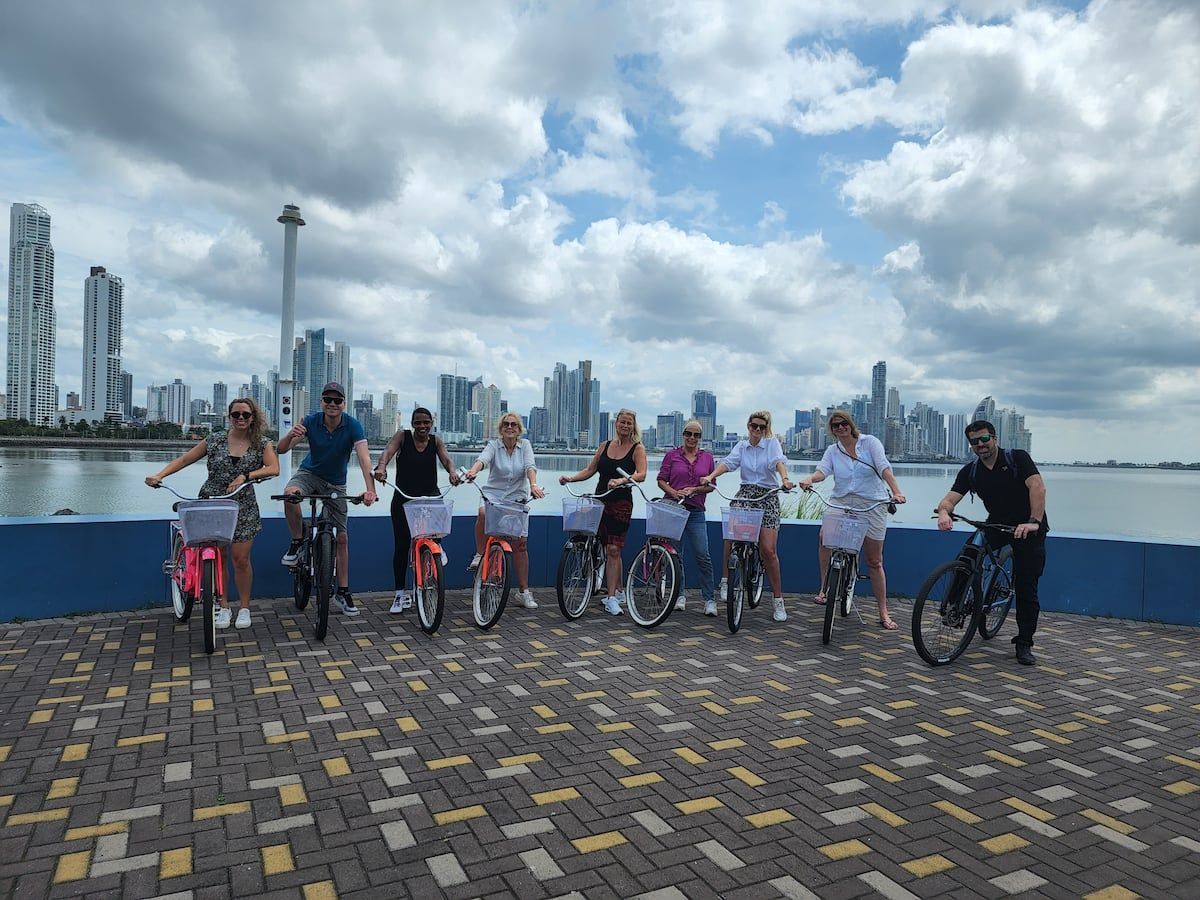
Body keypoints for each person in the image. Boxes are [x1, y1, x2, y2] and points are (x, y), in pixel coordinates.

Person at [146, 398, 279, 629]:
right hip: (212, 503)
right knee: (218, 557)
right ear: (229, 416)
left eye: (246, 415)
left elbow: (273, 468)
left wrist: (246, 476)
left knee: (241, 560)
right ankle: (223, 605)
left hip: (242, 505)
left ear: (253, 418)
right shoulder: (215, 440)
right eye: (236, 414)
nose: (241, 419)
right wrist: (160, 475)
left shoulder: (262, 443)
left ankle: (245, 608)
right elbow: (186, 459)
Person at [935, 420, 1047, 666]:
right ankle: (954, 609)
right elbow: (949, 500)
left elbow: (1037, 487)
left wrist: (1033, 521)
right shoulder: (971, 471)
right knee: (968, 555)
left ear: (994, 438)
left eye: (984, 439)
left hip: (1028, 527)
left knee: (1027, 587)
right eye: (974, 442)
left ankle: (1024, 643)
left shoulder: (1017, 458)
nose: (980, 445)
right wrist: (944, 513)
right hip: (996, 524)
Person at [798, 411, 906, 629]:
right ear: (832, 430)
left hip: (872, 502)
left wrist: (896, 491)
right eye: (835, 426)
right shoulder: (833, 450)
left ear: (851, 424)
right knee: (824, 538)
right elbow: (822, 472)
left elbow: (884, 468)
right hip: (842, 501)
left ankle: (883, 612)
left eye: (843, 423)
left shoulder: (870, 443)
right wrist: (810, 479)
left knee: (875, 561)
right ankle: (824, 588)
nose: (840, 428)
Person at [278, 382, 377, 616]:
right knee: (290, 494)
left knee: (341, 537)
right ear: (321, 402)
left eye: (337, 400)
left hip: (336, 484)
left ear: (344, 403)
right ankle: (296, 541)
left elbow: (363, 459)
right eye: (328, 400)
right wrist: (292, 434)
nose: (332, 404)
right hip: (309, 474)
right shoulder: (311, 421)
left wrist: (370, 489)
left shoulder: (352, 425)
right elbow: (281, 449)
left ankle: (342, 591)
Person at [700, 410, 794, 621]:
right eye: (754, 426)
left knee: (768, 550)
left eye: (762, 427)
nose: (757, 430)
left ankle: (778, 601)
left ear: (766, 428)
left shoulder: (772, 444)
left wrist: (785, 479)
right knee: (730, 533)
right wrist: (711, 476)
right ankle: (725, 579)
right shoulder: (741, 446)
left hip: (768, 494)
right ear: (748, 426)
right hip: (746, 492)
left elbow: (779, 463)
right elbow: (728, 463)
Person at [559, 409, 648, 615]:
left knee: (614, 549)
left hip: (621, 503)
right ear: (616, 424)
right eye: (622, 422)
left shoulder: (637, 448)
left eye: (629, 423)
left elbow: (641, 475)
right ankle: (617, 590)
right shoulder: (605, 446)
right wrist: (570, 479)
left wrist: (622, 480)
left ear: (633, 426)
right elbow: (590, 470)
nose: (625, 426)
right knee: (608, 548)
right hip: (600, 499)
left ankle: (610, 598)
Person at [374, 408, 461, 614]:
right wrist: (381, 467)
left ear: (431, 423)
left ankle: (437, 546)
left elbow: (447, 459)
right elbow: (387, 452)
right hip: (404, 497)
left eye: (426, 423)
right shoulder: (402, 437)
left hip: (429, 496)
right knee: (402, 546)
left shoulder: (436, 441)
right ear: (412, 424)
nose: (422, 426)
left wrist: (452, 472)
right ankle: (399, 594)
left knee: (438, 524)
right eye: (418, 423)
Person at [462, 413, 545, 609]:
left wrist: (533, 484)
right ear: (501, 428)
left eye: (514, 425)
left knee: (521, 545)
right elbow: (483, 460)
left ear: (519, 429)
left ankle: (524, 592)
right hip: (494, 497)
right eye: (506, 424)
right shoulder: (493, 446)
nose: (510, 427)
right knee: (482, 513)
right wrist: (473, 471)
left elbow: (529, 466)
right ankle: (480, 553)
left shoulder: (525, 445)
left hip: (517, 499)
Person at [657, 419, 717, 617]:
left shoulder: (707, 457)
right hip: (674, 510)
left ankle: (709, 599)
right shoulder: (672, 455)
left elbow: (711, 485)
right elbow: (661, 480)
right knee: (676, 556)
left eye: (696, 435)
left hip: (696, 512)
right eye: (688, 434)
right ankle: (679, 595)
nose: (692, 438)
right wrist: (674, 493)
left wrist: (695, 490)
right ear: (683, 435)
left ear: (701, 438)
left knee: (703, 556)